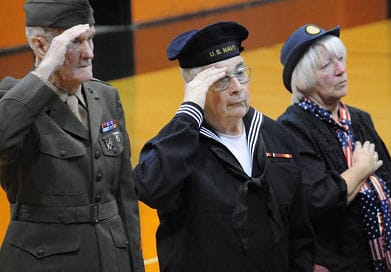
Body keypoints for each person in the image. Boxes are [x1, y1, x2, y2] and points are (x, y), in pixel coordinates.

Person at [132, 21, 315, 271]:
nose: (237, 88)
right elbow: (150, 188)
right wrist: (188, 113)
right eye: (221, 80)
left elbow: (299, 234)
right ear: (197, 90)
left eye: (240, 73)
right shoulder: (178, 147)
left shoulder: (276, 136)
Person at [0, 1, 144, 271]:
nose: (89, 53)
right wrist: (44, 73)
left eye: (90, 39)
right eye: (74, 42)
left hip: (110, 258)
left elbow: (124, 196)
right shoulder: (12, 101)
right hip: (46, 262)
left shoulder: (106, 96)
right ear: (41, 46)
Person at [277, 23, 391, 272]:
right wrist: (361, 168)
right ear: (305, 79)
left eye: (341, 60)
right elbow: (319, 202)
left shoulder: (360, 119)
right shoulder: (292, 130)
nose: (341, 70)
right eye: (327, 66)